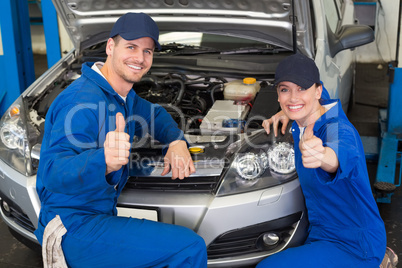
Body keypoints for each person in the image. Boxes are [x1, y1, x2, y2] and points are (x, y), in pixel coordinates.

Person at [35, 12, 207, 267]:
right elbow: (52, 171)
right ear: (110, 46)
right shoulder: (81, 102)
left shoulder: (120, 95)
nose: (140, 58)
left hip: (97, 214)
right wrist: (102, 161)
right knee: (189, 247)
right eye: (131, 47)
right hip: (73, 224)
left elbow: (155, 114)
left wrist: (176, 141)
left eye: (147, 51)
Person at [258, 53, 386, 267]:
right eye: (285, 90)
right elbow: (303, 96)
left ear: (317, 91)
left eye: (301, 88)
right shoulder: (318, 105)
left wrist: (322, 155)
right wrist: (287, 110)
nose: (293, 97)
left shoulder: (338, 130)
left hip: (354, 244)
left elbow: (338, 155)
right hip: (320, 230)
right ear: (278, 95)